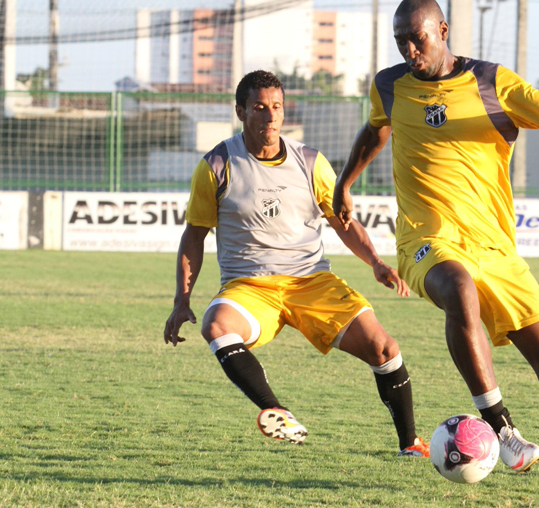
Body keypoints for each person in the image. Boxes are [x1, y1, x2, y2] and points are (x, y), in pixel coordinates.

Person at [333, 0, 539, 478]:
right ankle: (502, 429)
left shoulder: (492, 82)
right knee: (458, 287)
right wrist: (345, 182)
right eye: (401, 40)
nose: (409, 49)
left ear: (443, 31)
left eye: (418, 38)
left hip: (495, 250)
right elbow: (376, 129)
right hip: (426, 241)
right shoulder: (389, 85)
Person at [163, 70, 429, 457]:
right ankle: (276, 411)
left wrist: (375, 261)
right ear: (240, 111)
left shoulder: (310, 162)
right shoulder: (217, 165)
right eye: (259, 108)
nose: (270, 117)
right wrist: (181, 299)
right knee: (217, 325)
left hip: (311, 282)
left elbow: (342, 220)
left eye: (277, 107)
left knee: (385, 348)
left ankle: (410, 443)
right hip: (250, 286)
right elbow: (194, 235)